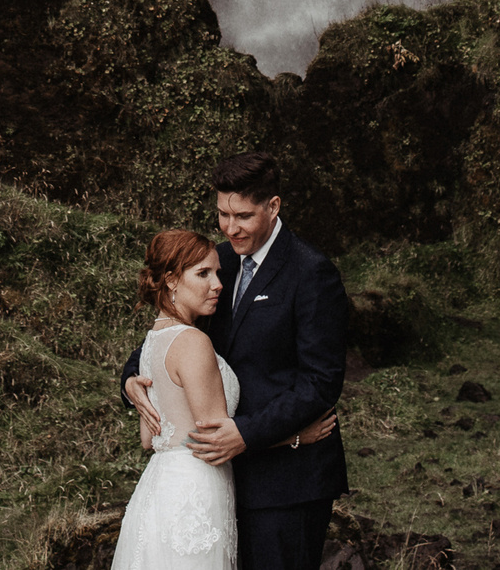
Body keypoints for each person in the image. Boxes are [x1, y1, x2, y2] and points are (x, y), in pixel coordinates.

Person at [121, 153, 350, 570]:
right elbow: (168, 334)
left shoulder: (311, 272)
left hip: (286, 483)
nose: (230, 228)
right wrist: (130, 380)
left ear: (273, 206)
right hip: (215, 482)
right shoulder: (216, 262)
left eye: (243, 216)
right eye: (223, 214)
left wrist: (247, 433)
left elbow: (321, 382)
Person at [112, 229, 242, 569]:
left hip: (160, 486)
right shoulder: (193, 342)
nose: (218, 284)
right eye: (203, 274)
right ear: (171, 280)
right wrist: (294, 436)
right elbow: (216, 437)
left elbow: (148, 438)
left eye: (217, 273)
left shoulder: (152, 342)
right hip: (195, 492)